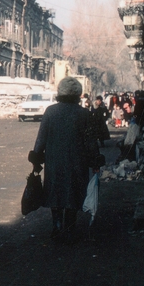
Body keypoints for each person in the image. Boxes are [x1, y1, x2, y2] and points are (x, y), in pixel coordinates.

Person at [28, 77, 104, 242]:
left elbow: (41, 138)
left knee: (56, 192)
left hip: (54, 161)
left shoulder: (50, 111)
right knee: (73, 193)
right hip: (77, 162)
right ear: (77, 93)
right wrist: (95, 161)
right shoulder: (84, 114)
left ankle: (56, 225)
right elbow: (90, 141)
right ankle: (70, 227)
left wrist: (36, 158)